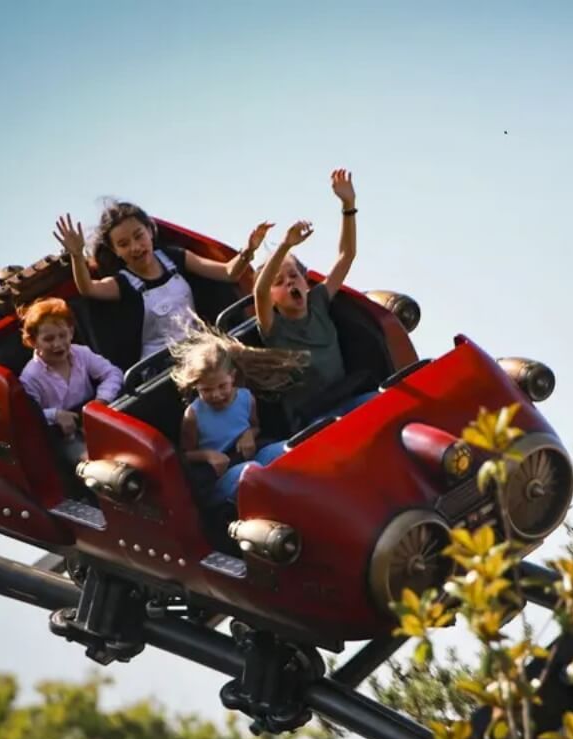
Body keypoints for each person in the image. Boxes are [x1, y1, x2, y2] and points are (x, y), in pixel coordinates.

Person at [53, 203, 272, 367]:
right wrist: (76, 255)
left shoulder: (173, 258)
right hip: (163, 366)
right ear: (115, 251)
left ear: (150, 231)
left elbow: (228, 272)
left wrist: (249, 250)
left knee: (256, 360)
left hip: (203, 348)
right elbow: (88, 288)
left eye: (139, 236)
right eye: (123, 244)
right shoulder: (122, 283)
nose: (135, 247)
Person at [254, 168, 369, 432]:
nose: (290, 283)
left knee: (385, 405)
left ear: (306, 281)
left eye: (294, 276)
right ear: (272, 299)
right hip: (313, 420)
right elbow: (259, 292)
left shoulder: (318, 301)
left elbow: (347, 255)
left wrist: (348, 205)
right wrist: (284, 246)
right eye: (279, 283)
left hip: (348, 398)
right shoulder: (274, 328)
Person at [169, 324, 308, 508]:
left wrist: (249, 434)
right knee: (250, 472)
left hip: (249, 455)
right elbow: (186, 455)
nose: (216, 395)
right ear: (196, 387)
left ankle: (303, 494)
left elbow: (254, 426)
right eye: (207, 390)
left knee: (286, 449)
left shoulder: (245, 397)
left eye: (222, 386)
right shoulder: (194, 414)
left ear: (232, 377)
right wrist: (208, 455)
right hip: (220, 475)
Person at [18, 297, 122, 465]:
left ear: (71, 332)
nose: (58, 344)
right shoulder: (30, 377)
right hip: (67, 439)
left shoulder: (81, 353)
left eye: (62, 335)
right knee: (99, 468)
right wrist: (55, 415)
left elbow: (113, 373)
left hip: (100, 422)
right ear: (33, 341)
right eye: (49, 339)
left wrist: (101, 401)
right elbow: (28, 416)